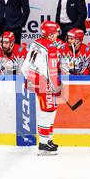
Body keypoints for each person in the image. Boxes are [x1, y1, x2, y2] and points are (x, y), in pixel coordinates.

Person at [21, 21, 63, 156]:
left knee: (50, 109)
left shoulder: (35, 43)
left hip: (33, 79)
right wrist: (56, 86)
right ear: (50, 34)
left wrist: (30, 78)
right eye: (56, 32)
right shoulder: (51, 48)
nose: (57, 35)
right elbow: (52, 71)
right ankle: (44, 144)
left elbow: (24, 66)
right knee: (47, 110)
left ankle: (48, 140)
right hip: (44, 82)